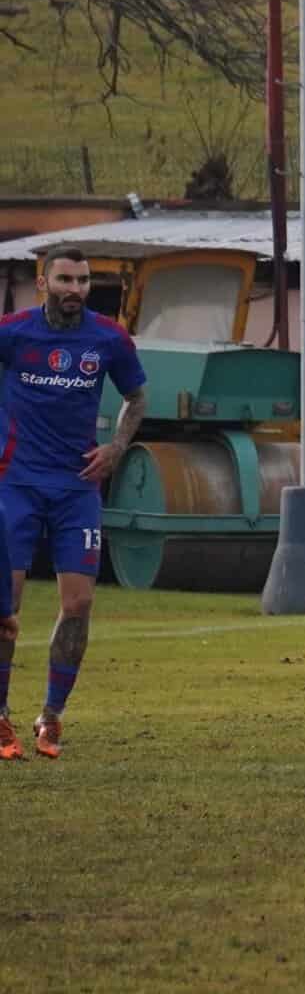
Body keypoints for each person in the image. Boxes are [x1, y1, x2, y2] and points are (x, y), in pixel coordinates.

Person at [0, 248, 149, 761]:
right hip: (14, 486)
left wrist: (117, 447)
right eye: (64, 279)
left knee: (79, 605)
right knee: (6, 610)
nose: (75, 289)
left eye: (83, 281)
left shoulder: (108, 338)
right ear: (42, 283)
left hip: (76, 489)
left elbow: (137, 397)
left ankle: (50, 717)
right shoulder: (13, 332)